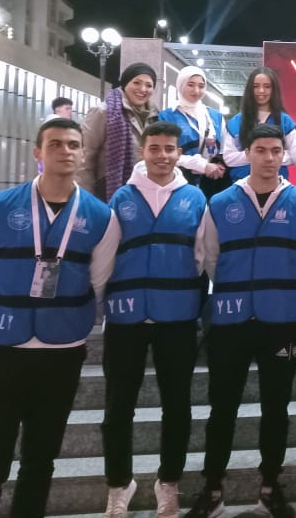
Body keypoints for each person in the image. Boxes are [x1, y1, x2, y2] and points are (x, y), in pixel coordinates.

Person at [0, 118, 118, 518]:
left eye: (73, 144)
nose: (65, 151)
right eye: (55, 144)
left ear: (83, 153)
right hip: (3, 351)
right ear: (38, 152)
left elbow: (98, 284)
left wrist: (61, 321)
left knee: (41, 459)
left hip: (62, 352)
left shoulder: (101, 217)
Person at [186, 123, 296, 518]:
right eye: (260, 150)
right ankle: (212, 489)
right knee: (222, 407)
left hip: (281, 319)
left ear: (284, 155)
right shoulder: (221, 201)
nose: (268, 158)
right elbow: (210, 257)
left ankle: (270, 486)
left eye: (276, 151)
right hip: (231, 320)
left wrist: (275, 290)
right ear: (247, 154)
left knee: (276, 407)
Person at [101, 121, 208, 518]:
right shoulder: (121, 198)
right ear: (142, 151)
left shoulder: (195, 198)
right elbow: (105, 257)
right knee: (118, 408)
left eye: (169, 148)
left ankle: (169, 482)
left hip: (177, 317)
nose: (162, 155)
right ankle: (118, 484)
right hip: (126, 318)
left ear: (179, 153)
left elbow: (204, 256)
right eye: (155, 148)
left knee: (177, 405)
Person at [79, 62, 159, 202]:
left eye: (149, 85)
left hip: (143, 195)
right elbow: (84, 160)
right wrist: (86, 200)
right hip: (105, 194)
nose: (143, 89)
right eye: (137, 83)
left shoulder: (156, 117)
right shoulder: (104, 112)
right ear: (125, 83)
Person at [158, 66, 227, 196]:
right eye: (190, 85)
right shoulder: (167, 116)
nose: (196, 91)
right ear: (180, 85)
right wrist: (201, 165)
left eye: (201, 86)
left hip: (212, 182)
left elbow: (225, 148)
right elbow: (164, 153)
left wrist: (219, 164)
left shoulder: (215, 116)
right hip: (179, 181)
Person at [223, 66, 296, 182]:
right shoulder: (236, 122)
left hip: (277, 185)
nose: (261, 91)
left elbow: (295, 155)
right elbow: (228, 158)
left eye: (267, 86)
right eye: (256, 86)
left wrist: (259, 156)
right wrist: (262, 156)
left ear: (274, 90)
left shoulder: (285, 121)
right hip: (242, 185)